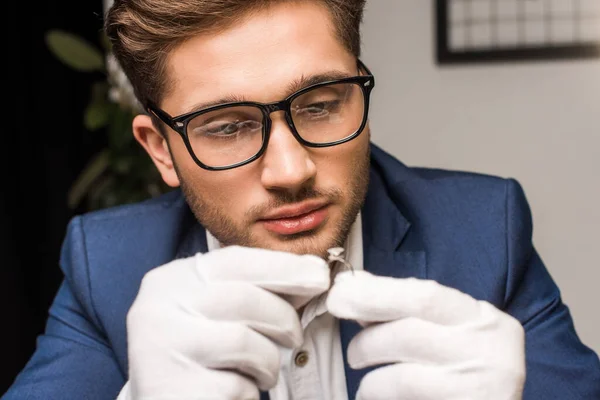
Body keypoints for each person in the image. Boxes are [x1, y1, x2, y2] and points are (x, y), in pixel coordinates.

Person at [4, 0, 600, 399]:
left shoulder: (483, 229)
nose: (291, 171)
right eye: (226, 126)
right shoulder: (106, 266)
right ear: (160, 149)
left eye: (319, 105)